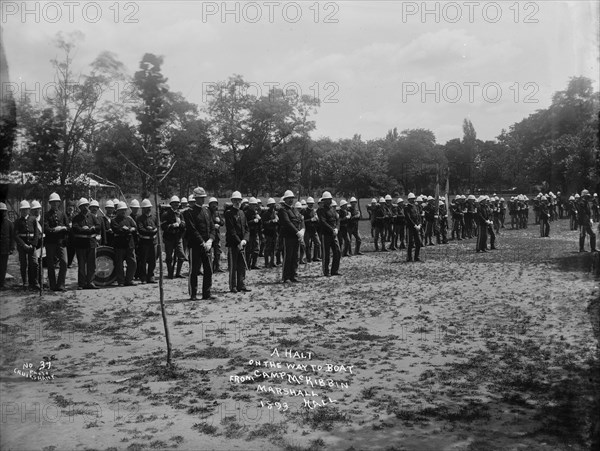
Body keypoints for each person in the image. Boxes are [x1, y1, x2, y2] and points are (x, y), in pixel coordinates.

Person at [183, 187, 216, 300]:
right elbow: (192, 230)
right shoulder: (189, 213)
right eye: (200, 198)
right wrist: (202, 242)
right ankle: (193, 294)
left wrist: (210, 240)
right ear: (195, 198)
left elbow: (212, 227)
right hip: (196, 246)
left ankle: (207, 293)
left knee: (208, 270)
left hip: (207, 245)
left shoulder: (206, 211)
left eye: (203, 198)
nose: (202, 200)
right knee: (194, 270)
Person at [225, 191, 251, 293]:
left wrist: (245, 240)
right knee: (233, 266)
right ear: (232, 201)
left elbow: (246, 229)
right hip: (233, 244)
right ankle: (233, 286)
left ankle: (242, 284)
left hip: (242, 243)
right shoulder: (229, 213)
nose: (237, 202)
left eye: (239, 200)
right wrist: (238, 242)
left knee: (242, 265)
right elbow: (231, 230)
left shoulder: (242, 213)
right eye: (235, 200)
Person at [71, 198, 101, 289]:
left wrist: (92, 228)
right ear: (80, 207)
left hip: (91, 243)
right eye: (82, 206)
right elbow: (75, 228)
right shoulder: (76, 218)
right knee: (81, 265)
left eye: (86, 205)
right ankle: (82, 283)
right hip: (81, 244)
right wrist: (83, 229)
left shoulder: (92, 216)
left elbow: (98, 226)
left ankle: (90, 282)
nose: (85, 207)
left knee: (91, 264)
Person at [44, 192, 69, 291]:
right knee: (50, 264)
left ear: (59, 203)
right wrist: (54, 230)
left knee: (64, 262)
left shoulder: (62, 214)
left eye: (56, 202)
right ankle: (53, 285)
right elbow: (46, 228)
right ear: (50, 203)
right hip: (50, 243)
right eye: (53, 203)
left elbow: (68, 227)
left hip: (61, 242)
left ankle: (61, 284)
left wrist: (63, 228)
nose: (55, 204)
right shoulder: (46, 215)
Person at [278, 191, 304, 283]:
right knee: (288, 256)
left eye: (292, 198)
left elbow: (299, 220)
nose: (291, 200)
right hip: (288, 236)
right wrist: (297, 232)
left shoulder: (294, 209)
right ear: (285, 199)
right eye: (289, 198)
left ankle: (293, 275)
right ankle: (286, 277)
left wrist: (301, 230)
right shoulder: (283, 210)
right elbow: (287, 222)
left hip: (295, 236)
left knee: (295, 257)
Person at [111, 202, 138, 286]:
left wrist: (129, 229)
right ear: (117, 211)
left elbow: (135, 228)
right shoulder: (114, 220)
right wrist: (125, 230)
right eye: (121, 210)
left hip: (130, 244)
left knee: (132, 262)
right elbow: (116, 229)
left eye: (124, 210)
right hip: (119, 245)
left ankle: (129, 279)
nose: (123, 212)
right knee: (119, 264)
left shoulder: (129, 219)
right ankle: (121, 281)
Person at [161, 196, 186, 279]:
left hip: (178, 237)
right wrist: (172, 226)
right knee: (169, 257)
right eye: (174, 203)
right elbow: (163, 226)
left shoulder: (180, 214)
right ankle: (170, 273)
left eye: (177, 203)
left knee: (181, 256)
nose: (176, 204)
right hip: (169, 238)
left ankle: (178, 273)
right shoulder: (166, 214)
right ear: (171, 204)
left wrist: (181, 224)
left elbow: (184, 224)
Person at [317, 191, 341, 276]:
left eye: (330, 199)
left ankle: (334, 270)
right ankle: (326, 271)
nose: (329, 201)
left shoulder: (333, 210)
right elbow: (323, 222)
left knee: (337, 252)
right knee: (326, 253)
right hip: (326, 234)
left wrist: (337, 229)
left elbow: (337, 219)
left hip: (333, 233)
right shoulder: (321, 211)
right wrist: (332, 229)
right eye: (327, 200)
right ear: (324, 200)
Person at [15, 200, 37, 289]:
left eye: (26, 209)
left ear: (29, 210)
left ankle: (34, 282)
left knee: (34, 263)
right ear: (20, 211)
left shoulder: (33, 219)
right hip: (22, 246)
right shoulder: (18, 221)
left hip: (32, 246)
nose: (24, 211)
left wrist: (33, 244)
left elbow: (36, 233)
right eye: (22, 210)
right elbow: (15, 235)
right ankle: (25, 282)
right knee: (23, 264)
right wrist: (23, 244)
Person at [136, 199, 158, 283]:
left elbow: (157, 227)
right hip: (144, 242)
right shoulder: (140, 218)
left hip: (153, 242)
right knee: (143, 261)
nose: (148, 209)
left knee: (153, 260)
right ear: (143, 209)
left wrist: (153, 230)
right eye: (146, 208)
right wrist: (149, 231)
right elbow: (141, 229)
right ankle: (143, 277)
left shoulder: (153, 217)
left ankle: (151, 276)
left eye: (149, 207)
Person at [0, 203, 15, 290]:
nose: (2, 213)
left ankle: (1, 283)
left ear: (6, 212)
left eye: (3, 211)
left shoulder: (9, 224)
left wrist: (11, 248)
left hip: (5, 248)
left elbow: (12, 237)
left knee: (3, 266)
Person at [302, 197, 321, 262]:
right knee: (307, 245)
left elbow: (317, 221)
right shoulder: (304, 211)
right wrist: (311, 220)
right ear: (307, 203)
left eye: (312, 203)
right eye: (310, 203)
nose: (311, 205)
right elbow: (303, 221)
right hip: (307, 230)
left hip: (313, 230)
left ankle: (315, 257)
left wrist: (317, 219)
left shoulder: (314, 211)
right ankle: (308, 258)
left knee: (317, 243)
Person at [208, 197, 224, 273]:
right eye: (213, 204)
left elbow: (222, 223)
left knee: (218, 252)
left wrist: (219, 221)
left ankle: (217, 266)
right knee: (209, 252)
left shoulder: (217, 213)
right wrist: (213, 225)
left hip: (217, 235)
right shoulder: (207, 213)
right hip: (210, 235)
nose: (214, 206)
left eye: (215, 204)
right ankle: (209, 267)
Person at [404, 193, 422, 262]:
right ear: (409, 200)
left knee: (418, 242)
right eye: (411, 199)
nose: (413, 200)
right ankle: (409, 257)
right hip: (411, 227)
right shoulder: (406, 208)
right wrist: (414, 225)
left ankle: (416, 257)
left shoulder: (416, 207)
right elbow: (408, 218)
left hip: (417, 227)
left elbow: (419, 216)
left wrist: (420, 224)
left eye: (413, 199)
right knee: (410, 243)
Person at [261, 197, 279, 268]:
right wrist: (272, 221)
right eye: (271, 205)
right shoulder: (265, 214)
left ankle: (272, 262)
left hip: (274, 232)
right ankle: (266, 263)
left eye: (273, 204)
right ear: (268, 206)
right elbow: (264, 223)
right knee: (267, 248)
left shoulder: (275, 213)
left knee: (274, 248)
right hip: (268, 233)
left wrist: (277, 220)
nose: (273, 206)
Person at [245, 197, 261, 269]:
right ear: (250, 205)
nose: (255, 206)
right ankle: (248, 265)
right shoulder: (246, 213)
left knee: (256, 249)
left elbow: (260, 224)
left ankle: (254, 264)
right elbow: (245, 224)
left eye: (255, 205)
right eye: (253, 205)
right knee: (249, 250)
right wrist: (253, 221)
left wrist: (259, 219)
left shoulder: (256, 213)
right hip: (249, 233)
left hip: (255, 233)